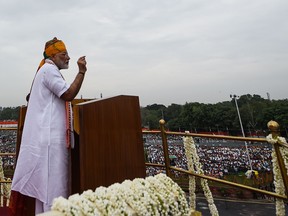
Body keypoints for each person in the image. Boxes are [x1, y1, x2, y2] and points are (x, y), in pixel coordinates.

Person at [10, 37, 87, 214]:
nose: (68, 58)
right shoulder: (48, 70)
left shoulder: (46, 70)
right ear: (53, 56)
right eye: (64, 54)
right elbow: (68, 94)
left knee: (47, 194)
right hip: (50, 144)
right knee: (54, 193)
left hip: (49, 142)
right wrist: (81, 72)